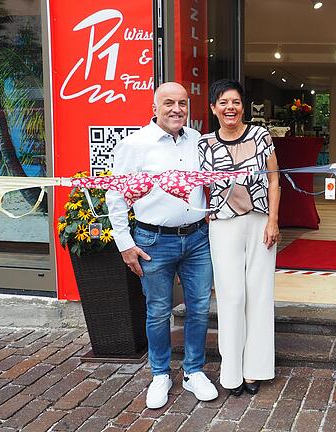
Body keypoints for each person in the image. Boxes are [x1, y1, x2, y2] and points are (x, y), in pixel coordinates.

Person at [107, 82, 218, 409]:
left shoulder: (198, 141)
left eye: (182, 103)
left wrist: (212, 214)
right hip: (153, 240)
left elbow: (210, 182)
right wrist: (124, 242)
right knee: (157, 312)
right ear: (154, 106)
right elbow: (115, 193)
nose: (176, 109)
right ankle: (160, 374)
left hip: (197, 239)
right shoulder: (135, 145)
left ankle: (193, 371)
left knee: (198, 309)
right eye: (168, 103)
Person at [198, 79, 280, 397]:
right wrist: (203, 210)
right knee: (231, 297)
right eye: (223, 102)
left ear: (242, 106)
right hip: (223, 224)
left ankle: (255, 369)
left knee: (259, 295)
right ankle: (231, 371)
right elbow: (195, 183)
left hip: (260, 221)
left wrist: (273, 220)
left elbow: (275, 179)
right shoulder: (205, 144)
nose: (230, 107)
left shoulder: (261, 136)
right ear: (213, 108)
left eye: (235, 101)